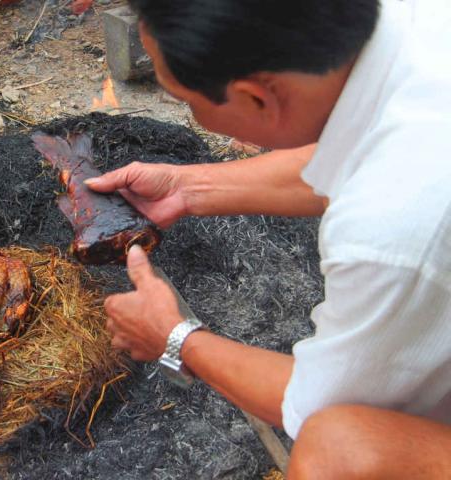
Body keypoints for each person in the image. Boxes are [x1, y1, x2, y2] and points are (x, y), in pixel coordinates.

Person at [83, 0, 451, 478]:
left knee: (338, 454)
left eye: (187, 101)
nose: (191, 116)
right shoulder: (416, 22)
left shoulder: (393, 228)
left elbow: (317, 401)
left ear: (256, 97)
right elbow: (362, 152)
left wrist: (175, 339)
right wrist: (188, 188)